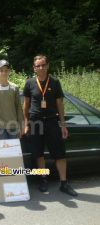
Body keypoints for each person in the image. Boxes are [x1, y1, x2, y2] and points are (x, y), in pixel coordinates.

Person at [23, 55, 77, 196]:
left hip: (52, 121)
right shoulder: (29, 83)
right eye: (37, 66)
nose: (40, 68)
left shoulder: (54, 82)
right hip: (36, 122)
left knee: (60, 153)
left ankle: (64, 183)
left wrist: (63, 124)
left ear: (48, 65)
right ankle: (43, 179)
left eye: (42, 65)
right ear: (34, 68)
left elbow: (59, 103)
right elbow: (26, 104)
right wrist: (26, 124)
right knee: (38, 153)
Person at [0, 59, 23, 140]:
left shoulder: (15, 87)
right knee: (3, 152)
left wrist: (21, 126)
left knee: (14, 152)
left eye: (6, 70)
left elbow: (18, 107)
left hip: (13, 126)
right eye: (1, 70)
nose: (4, 73)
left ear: (9, 71)